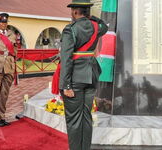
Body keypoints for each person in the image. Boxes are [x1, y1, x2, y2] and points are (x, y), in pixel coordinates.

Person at [59, 0, 108, 150]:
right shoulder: (96, 27)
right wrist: (91, 17)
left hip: (75, 78)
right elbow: (105, 26)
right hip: (91, 75)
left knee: (74, 119)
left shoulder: (70, 29)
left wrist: (66, 85)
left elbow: (66, 59)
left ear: (74, 11)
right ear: (87, 11)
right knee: (86, 117)